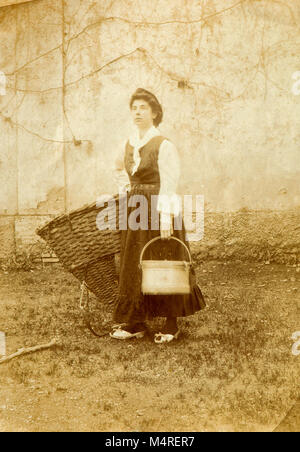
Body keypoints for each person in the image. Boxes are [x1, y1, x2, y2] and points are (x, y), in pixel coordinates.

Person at [110, 88, 206, 344]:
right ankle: (136, 321)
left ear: (154, 113)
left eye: (143, 108)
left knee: (165, 263)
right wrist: (127, 191)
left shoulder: (164, 145)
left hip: (160, 210)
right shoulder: (128, 143)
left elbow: (169, 184)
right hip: (136, 210)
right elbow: (118, 169)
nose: (138, 112)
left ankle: (171, 324)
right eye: (134, 108)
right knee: (134, 263)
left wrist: (166, 220)